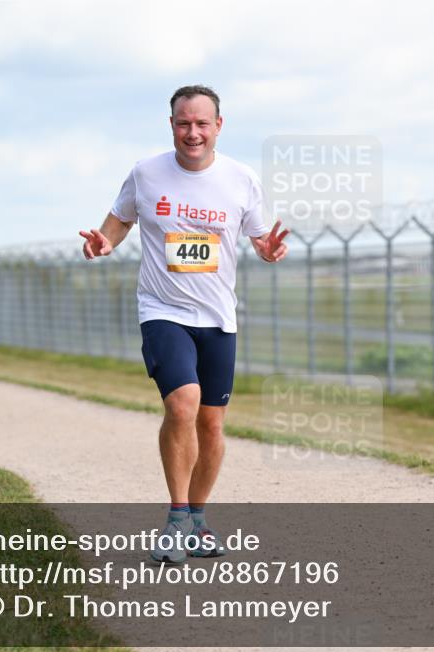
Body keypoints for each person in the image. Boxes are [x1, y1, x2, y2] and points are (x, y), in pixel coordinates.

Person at [79, 85, 289, 563]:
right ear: (170, 124)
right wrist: (103, 244)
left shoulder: (241, 179)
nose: (191, 132)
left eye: (201, 123)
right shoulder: (146, 173)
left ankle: (197, 518)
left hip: (218, 316)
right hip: (162, 310)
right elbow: (118, 222)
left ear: (218, 126)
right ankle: (175, 519)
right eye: (182, 123)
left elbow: (261, 240)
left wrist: (271, 250)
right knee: (183, 404)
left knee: (212, 424)